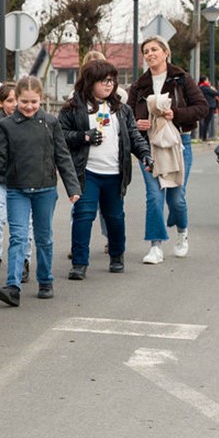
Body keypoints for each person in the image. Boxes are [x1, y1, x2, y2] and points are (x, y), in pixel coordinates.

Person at [0, 76, 80, 307]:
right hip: (17, 189)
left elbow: (62, 156)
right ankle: (12, 286)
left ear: (41, 99)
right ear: (16, 100)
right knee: (19, 236)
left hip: (45, 189)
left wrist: (72, 187)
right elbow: (0, 156)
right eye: (23, 102)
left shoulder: (51, 123)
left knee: (44, 237)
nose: (29, 106)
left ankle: (45, 280)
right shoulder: (6, 126)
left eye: (34, 102)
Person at [58, 60, 152, 279]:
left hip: (115, 174)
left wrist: (145, 154)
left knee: (115, 217)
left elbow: (134, 136)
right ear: (90, 83)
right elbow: (60, 135)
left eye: (112, 80)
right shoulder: (73, 108)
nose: (109, 85)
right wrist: (84, 136)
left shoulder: (122, 109)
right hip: (87, 173)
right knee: (83, 216)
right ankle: (80, 263)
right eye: (103, 81)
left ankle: (117, 256)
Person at [126, 36, 207, 265]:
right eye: (146, 51)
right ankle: (155, 246)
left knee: (176, 199)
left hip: (178, 143)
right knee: (153, 196)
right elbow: (128, 115)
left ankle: (182, 232)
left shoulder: (182, 79)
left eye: (154, 49)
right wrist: (138, 122)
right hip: (148, 146)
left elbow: (201, 107)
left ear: (165, 52)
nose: (150, 54)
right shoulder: (139, 85)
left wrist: (176, 115)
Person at [0, 81, 30, 283]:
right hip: (0, 180)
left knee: (25, 225)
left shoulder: (28, 121)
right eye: (10, 100)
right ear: (0, 103)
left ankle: (24, 262)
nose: (14, 104)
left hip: (23, 181)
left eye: (17, 100)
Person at [198, 76, 219, 141]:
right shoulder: (206, 88)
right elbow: (216, 93)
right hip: (209, 106)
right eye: (207, 80)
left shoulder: (199, 87)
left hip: (203, 106)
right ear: (204, 80)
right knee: (206, 122)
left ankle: (202, 136)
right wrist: (213, 89)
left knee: (204, 121)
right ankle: (204, 136)